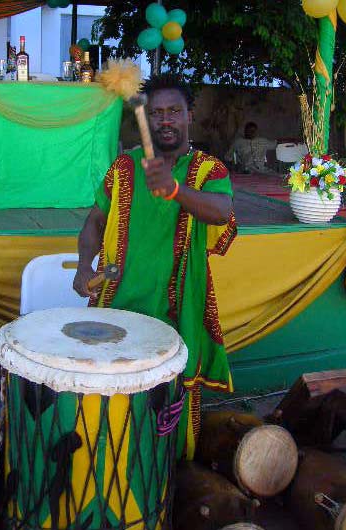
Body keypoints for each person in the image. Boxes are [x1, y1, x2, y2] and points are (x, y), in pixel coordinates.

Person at [73, 74, 236, 459]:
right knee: (110, 414)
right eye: (157, 113)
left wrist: (176, 190)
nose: (165, 120)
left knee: (169, 421)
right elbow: (96, 220)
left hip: (176, 316)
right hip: (116, 309)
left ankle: (171, 479)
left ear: (189, 116)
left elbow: (222, 212)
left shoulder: (207, 170)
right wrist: (83, 265)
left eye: (174, 112)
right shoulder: (126, 167)